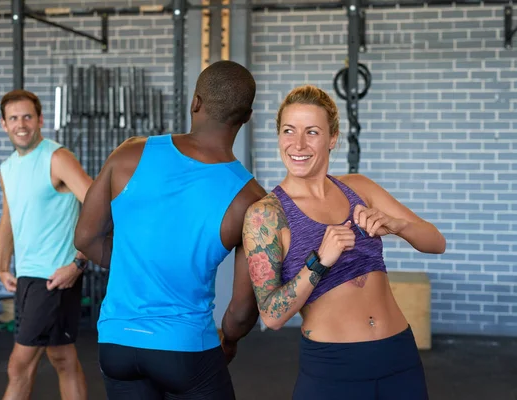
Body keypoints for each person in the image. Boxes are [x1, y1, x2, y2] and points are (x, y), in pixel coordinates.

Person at [74, 60, 266, 399]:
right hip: (186, 349)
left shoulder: (128, 154)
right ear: (247, 117)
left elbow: (86, 239)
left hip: (117, 342)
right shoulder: (251, 199)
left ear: (195, 103)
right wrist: (230, 341)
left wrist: (141, 263)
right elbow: (240, 309)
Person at [242, 85, 446, 400]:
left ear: (332, 138)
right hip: (333, 366)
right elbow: (271, 315)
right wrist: (320, 261)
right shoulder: (266, 215)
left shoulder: (359, 187)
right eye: (288, 131)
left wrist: (398, 225)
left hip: (399, 356)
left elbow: (436, 242)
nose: (298, 144)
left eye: (312, 132)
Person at [0, 89, 92, 400]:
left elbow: (98, 207)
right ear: (4, 124)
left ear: (40, 120)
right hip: (28, 275)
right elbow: (8, 218)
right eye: (14, 118)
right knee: (62, 357)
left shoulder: (57, 157)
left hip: (54, 276)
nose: (20, 124)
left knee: (19, 365)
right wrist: (2, 265)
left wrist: (78, 263)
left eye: (27, 116)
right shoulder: (7, 168)